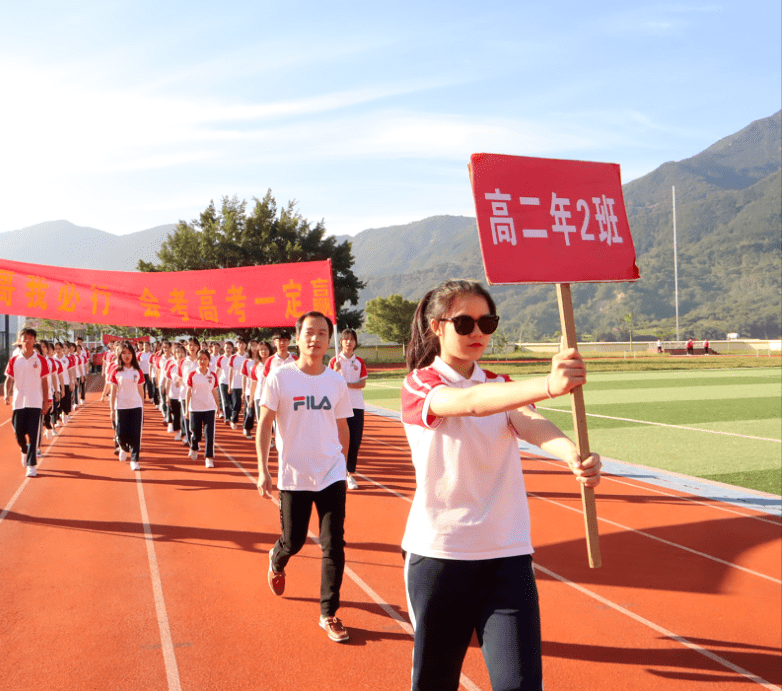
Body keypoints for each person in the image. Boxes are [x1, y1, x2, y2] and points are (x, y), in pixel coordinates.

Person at [399, 279, 602, 691]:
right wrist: (549, 385)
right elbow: (471, 404)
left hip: (507, 557)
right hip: (441, 557)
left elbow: (529, 422)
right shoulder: (420, 384)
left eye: (487, 321)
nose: (478, 332)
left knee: (521, 685)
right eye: (465, 322)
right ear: (437, 326)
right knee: (436, 683)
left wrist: (572, 457)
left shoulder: (500, 383)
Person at [257, 311, 353, 644]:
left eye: (322, 333)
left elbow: (343, 427)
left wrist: (340, 463)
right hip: (293, 477)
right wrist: (263, 468)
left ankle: (329, 613)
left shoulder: (336, 381)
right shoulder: (280, 377)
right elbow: (265, 424)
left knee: (333, 545)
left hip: (330, 475)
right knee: (294, 540)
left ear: (330, 340)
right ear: (297, 338)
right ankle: (278, 556)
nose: (315, 338)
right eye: (309, 332)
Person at [3, 327, 51, 477]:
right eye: (25, 337)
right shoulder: (14, 360)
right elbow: (8, 380)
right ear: (20, 340)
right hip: (18, 402)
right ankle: (24, 449)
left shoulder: (41, 360)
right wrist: (6, 395)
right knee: (18, 433)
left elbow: (44, 382)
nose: (27, 340)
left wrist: (45, 401)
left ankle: (31, 465)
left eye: (30, 338)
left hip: (35, 402)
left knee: (33, 433)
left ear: (35, 341)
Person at [330, 328, 368, 490]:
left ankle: (347, 470)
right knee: (338, 440)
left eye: (352, 339)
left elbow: (362, 383)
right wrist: (335, 370)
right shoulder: (335, 361)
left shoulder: (359, 361)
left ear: (355, 342)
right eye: (345, 339)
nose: (348, 342)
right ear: (341, 342)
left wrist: (346, 384)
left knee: (355, 441)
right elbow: (329, 382)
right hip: (338, 406)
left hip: (356, 405)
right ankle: (344, 473)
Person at [108, 341, 146, 471]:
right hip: (121, 407)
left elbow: (141, 390)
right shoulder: (116, 371)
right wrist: (112, 409)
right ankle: (123, 447)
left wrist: (143, 406)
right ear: (120, 355)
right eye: (124, 353)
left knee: (136, 434)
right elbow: (113, 392)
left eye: (129, 353)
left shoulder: (138, 371)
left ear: (133, 355)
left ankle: (134, 460)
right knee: (121, 433)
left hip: (136, 406)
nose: (127, 356)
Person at [186, 349, 221, 467]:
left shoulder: (213, 375)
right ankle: (194, 447)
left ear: (209, 361)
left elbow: (215, 392)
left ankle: (209, 457)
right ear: (197, 360)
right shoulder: (192, 374)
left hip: (209, 408)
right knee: (196, 433)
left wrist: (218, 406)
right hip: (195, 408)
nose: (202, 361)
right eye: (200, 358)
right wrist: (186, 409)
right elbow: (188, 392)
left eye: (205, 359)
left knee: (209, 433)